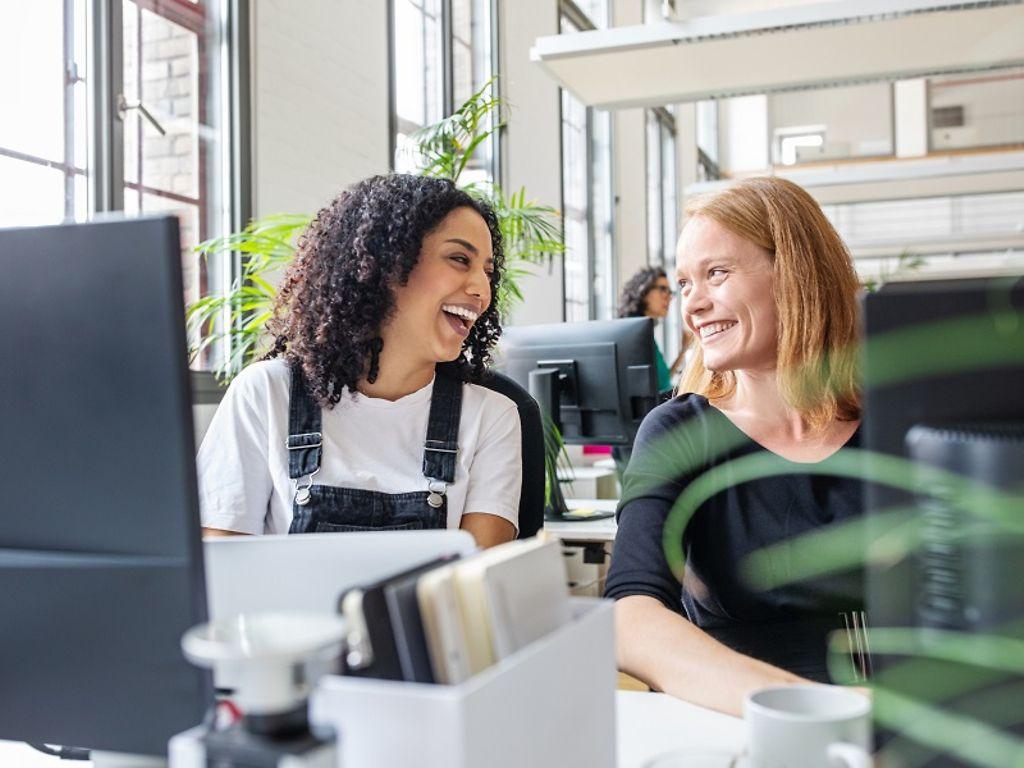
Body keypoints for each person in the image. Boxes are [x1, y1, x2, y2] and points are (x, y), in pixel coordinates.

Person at [604, 177, 864, 715]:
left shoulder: (899, 424)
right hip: (744, 725)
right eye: (683, 285)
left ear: (796, 274)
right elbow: (630, 617)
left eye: (715, 273)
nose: (692, 305)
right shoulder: (679, 431)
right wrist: (820, 710)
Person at [197, 174, 521, 548]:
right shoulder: (265, 393)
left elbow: (476, 589)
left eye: (488, 272)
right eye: (459, 259)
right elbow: (224, 576)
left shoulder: (491, 417)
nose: (482, 290)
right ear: (385, 263)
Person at [617, 266, 683, 392]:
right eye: (663, 289)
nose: (668, 297)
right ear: (643, 290)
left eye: (670, 292)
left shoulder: (645, 333)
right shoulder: (631, 334)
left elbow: (662, 382)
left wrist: (683, 351)